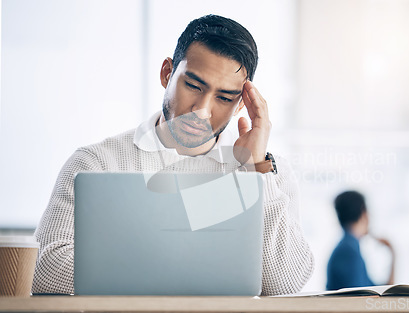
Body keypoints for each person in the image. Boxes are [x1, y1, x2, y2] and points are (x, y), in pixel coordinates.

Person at [32, 14, 314, 296]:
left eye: (225, 98)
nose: (201, 110)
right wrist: (196, 271)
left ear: (242, 104)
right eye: (193, 85)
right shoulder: (96, 163)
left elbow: (283, 283)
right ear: (167, 73)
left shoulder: (268, 171)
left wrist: (256, 169)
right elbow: (43, 269)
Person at [326, 191, 395, 290]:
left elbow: (382, 292)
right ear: (364, 214)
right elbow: (363, 299)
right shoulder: (348, 251)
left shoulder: (349, 246)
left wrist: (392, 252)